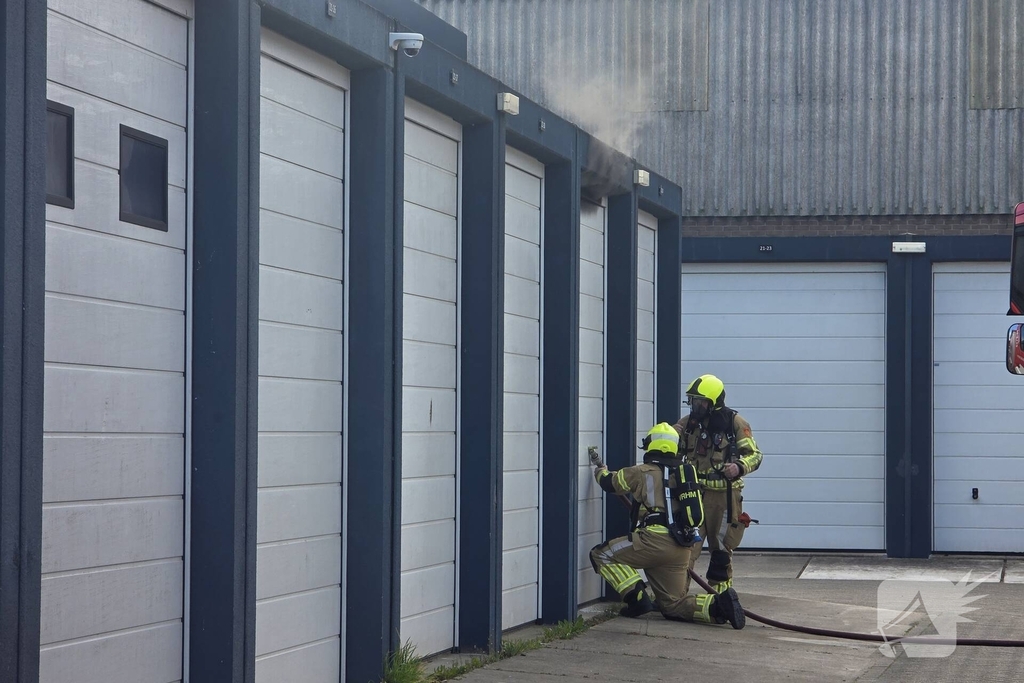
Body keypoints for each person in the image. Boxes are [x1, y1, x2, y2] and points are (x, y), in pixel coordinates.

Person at [588, 423, 745, 628]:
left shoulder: (642, 472)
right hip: (680, 548)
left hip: (652, 541)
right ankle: (717, 607)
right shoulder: (683, 474)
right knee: (672, 605)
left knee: (602, 555)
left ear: (651, 445)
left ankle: (636, 599)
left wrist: (600, 470)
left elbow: (611, 483)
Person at [673, 374, 763, 594]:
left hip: (724, 498)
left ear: (713, 402)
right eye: (692, 400)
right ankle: (675, 597)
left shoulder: (735, 423)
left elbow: (755, 455)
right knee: (685, 547)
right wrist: (668, 436)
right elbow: (669, 446)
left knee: (721, 549)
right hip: (693, 495)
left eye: (699, 401)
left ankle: (721, 598)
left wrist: (739, 467)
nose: (694, 405)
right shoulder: (687, 424)